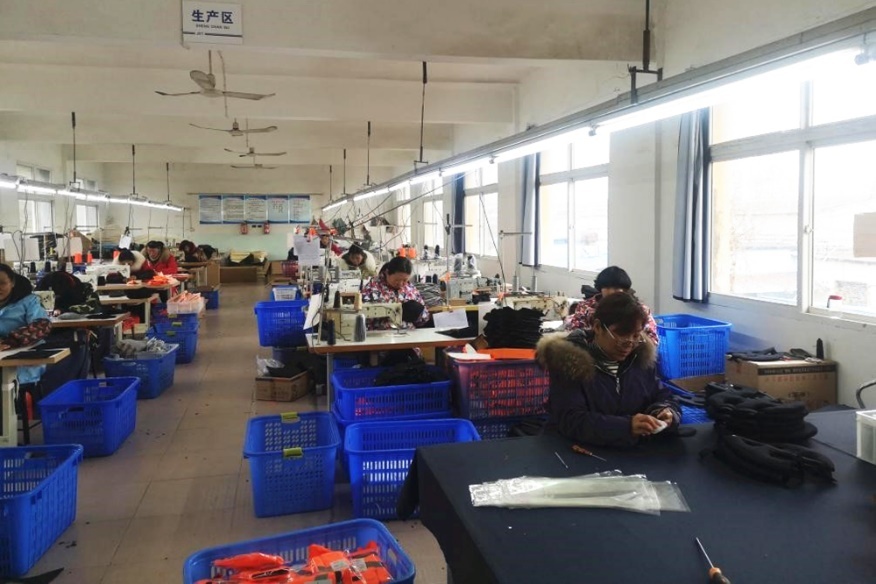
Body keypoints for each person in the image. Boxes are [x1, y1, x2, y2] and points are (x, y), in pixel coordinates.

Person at [537, 292, 680, 447]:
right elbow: (571, 420)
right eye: (621, 334)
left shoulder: (640, 360)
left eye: (635, 336)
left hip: (630, 452)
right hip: (573, 450)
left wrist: (666, 411)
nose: (629, 344)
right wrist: (626, 427)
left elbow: (662, 394)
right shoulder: (570, 363)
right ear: (598, 327)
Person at [565, 266, 659, 345]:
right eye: (607, 287)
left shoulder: (639, 310)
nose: (612, 291)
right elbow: (574, 334)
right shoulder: (586, 307)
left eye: (617, 288)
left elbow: (652, 339)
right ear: (600, 288)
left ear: (625, 289)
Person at [0, 264, 52, 384]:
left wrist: (11, 341)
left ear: (12, 283)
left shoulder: (29, 301)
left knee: (11, 386)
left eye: (2, 283)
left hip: (24, 362)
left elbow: (42, 325)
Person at [360, 256, 430, 329]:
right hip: (382, 334)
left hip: (409, 334)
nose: (400, 283)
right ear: (387, 273)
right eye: (397, 280)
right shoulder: (371, 289)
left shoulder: (410, 289)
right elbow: (361, 318)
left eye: (405, 280)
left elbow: (425, 317)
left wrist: (418, 315)